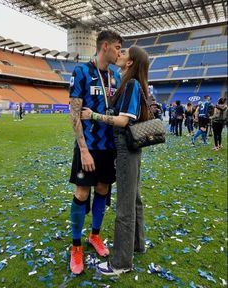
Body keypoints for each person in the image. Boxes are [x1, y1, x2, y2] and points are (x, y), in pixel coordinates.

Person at [81, 45, 149, 275]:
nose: (119, 55)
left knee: (125, 206)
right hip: (131, 148)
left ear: (130, 63)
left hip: (125, 147)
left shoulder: (131, 84)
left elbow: (123, 121)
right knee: (135, 199)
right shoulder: (129, 82)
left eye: (124, 53)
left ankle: (121, 262)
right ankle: (138, 245)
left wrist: (94, 116)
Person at [69, 30, 122, 275]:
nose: (119, 52)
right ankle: (76, 246)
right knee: (82, 192)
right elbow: (74, 113)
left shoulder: (117, 75)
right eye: (118, 48)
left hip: (108, 148)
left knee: (102, 189)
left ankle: (95, 235)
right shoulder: (81, 71)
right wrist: (83, 150)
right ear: (105, 46)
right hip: (88, 147)